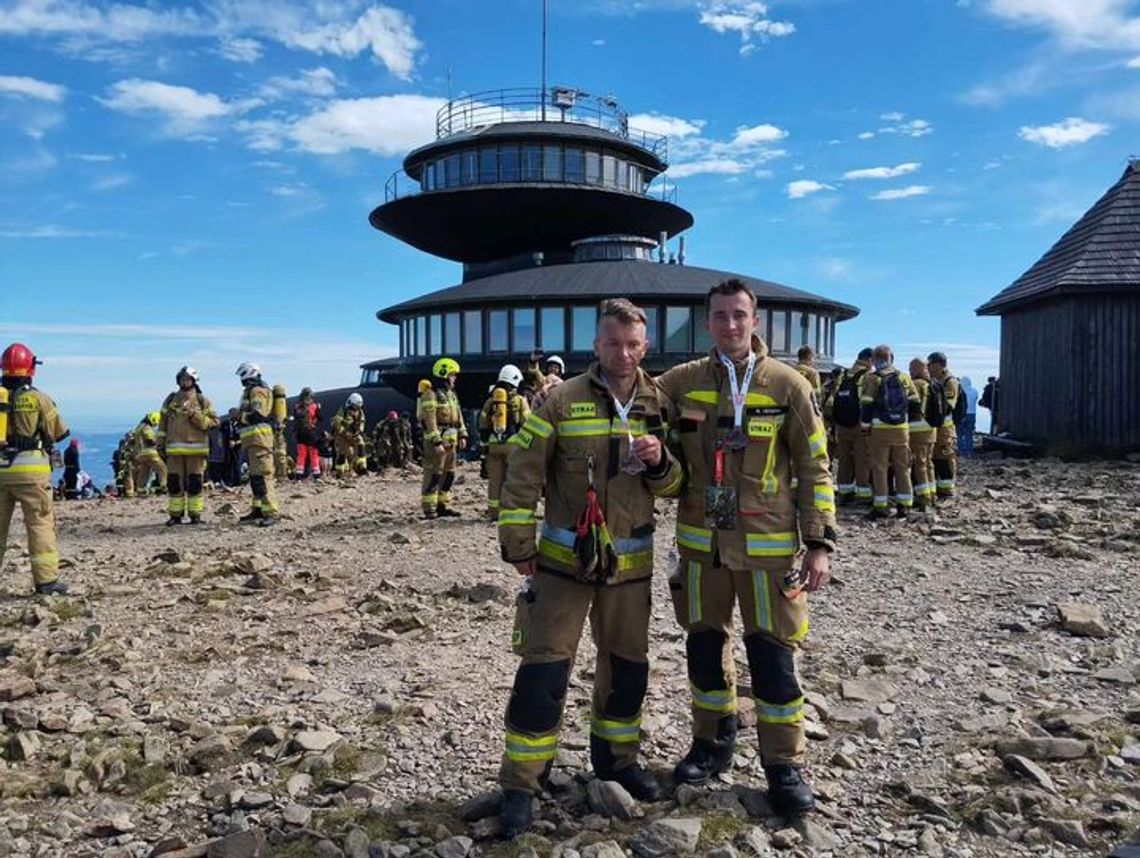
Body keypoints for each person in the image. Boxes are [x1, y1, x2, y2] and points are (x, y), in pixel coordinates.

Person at [496, 299, 684, 838]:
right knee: (543, 673)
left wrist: (660, 463)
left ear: (645, 347)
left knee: (627, 670)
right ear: (595, 345)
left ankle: (616, 762)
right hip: (561, 568)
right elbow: (521, 475)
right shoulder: (560, 400)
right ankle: (522, 783)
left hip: (630, 569)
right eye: (612, 343)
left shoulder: (658, 403)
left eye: (632, 344)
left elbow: (677, 487)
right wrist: (517, 543)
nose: (622, 354)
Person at [655, 279, 836, 815]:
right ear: (706, 322)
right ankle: (712, 743)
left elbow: (815, 465)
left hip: (768, 552)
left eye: (739, 315)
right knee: (705, 651)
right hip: (701, 549)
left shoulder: (788, 385)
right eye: (719, 316)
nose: (730, 325)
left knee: (774, 657)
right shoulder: (682, 381)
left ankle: (784, 766)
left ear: (755, 321)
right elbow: (629, 391)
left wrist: (818, 543)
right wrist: (556, 390)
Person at [0, 343, 70, 595]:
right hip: (31, 471)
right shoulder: (40, 398)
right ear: (31, 368)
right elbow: (59, 432)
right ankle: (46, 582)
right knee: (40, 523)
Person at [859, 346, 920, 519]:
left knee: (879, 468)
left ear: (874, 359)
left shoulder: (872, 378)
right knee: (903, 467)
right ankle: (905, 506)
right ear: (891, 358)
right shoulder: (904, 377)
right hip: (901, 429)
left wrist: (865, 428)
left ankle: (881, 506)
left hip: (880, 429)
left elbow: (866, 404)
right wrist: (907, 423)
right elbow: (915, 403)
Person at [158, 366, 218, 525]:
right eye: (182, 379)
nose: (185, 382)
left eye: (188, 379)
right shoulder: (171, 399)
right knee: (174, 483)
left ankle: (195, 515)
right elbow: (162, 423)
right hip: (174, 451)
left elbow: (213, 422)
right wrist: (160, 444)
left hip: (196, 451)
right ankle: (175, 515)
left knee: (195, 483)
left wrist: (195, 416)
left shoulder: (201, 400)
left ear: (194, 381)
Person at [478, 364, 530, 520]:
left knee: (495, 480)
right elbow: (527, 422)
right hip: (513, 444)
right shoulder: (519, 400)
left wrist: (484, 448)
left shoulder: (491, 400)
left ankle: (494, 513)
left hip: (494, 445)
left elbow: (482, 422)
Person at [419, 358, 467, 518]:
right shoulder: (430, 395)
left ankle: (443, 504)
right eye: (452, 375)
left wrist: (462, 434)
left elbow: (458, 415)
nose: (455, 378)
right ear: (444, 374)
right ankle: (429, 507)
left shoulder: (451, 395)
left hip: (451, 439)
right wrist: (436, 441)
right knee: (434, 473)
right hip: (438, 441)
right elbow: (430, 420)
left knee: (449, 473)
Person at [827, 348, 872, 505]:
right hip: (859, 425)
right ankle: (863, 495)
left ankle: (844, 493)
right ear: (869, 360)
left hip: (842, 425)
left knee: (844, 460)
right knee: (862, 460)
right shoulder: (867, 376)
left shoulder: (844, 375)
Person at [235, 362, 278, 525]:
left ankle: (271, 512)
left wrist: (240, 417)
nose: (241, 379)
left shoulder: (257, 391)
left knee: (264, 476)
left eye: (242, 375)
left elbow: (258, 414)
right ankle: (258, 510)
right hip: (253, 440)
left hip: (260, 439)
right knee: (255, 477)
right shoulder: (250, 391)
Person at [927, 352, 960, 499]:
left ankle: (947, 488)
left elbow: (948, 406)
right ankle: (938, 487)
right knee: (934, 458)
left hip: (945, 429)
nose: (929, 368)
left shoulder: (949, 381)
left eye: (931, 364)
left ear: (940, 364)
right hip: (935, 428)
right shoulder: (934, 380)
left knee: (945, 457)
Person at [907, 358, 937, 511]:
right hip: (931, 431)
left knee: (919, 465)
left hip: (917, 431)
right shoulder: (933, 384)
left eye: (911, 368)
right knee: (928, 463)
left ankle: (924, 498)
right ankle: (932, 493)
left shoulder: (916, 385)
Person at [332, 393, 367, 477]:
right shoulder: (343, 411)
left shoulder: (360, 412)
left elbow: (362, 422)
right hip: (343, 435)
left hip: (353, 433)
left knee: (361, 444)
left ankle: (361, 465)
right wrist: (343, 432)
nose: (356, 408)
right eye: (355, 405)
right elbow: (337, 422)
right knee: (344, 452)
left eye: (358, 406)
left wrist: (359, 430)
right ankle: (340, 472)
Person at [133, 412, 167, 495]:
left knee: (144, 471)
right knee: (162, 468)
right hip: (149, 452)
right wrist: (159, 443)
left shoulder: (138, 427)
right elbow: (150, 439)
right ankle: (164, 487)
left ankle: (141, 490)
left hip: (139, 454)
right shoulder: (147, 428)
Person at [293, 387, 323, 479]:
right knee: (314, 453)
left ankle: (299, 476)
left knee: (301, 455)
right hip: (310, 433)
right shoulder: (314, 406)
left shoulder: (297, 406)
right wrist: (319, 408)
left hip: (299, 434)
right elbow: (321, 418)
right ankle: (316, 475)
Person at [958, 377, 978, 456]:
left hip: (961, 414)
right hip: (972, 414)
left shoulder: (959, 391)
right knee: (969, 433)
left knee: (959, 433)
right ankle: (969, 451)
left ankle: (961, 451)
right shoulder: (975, 391)